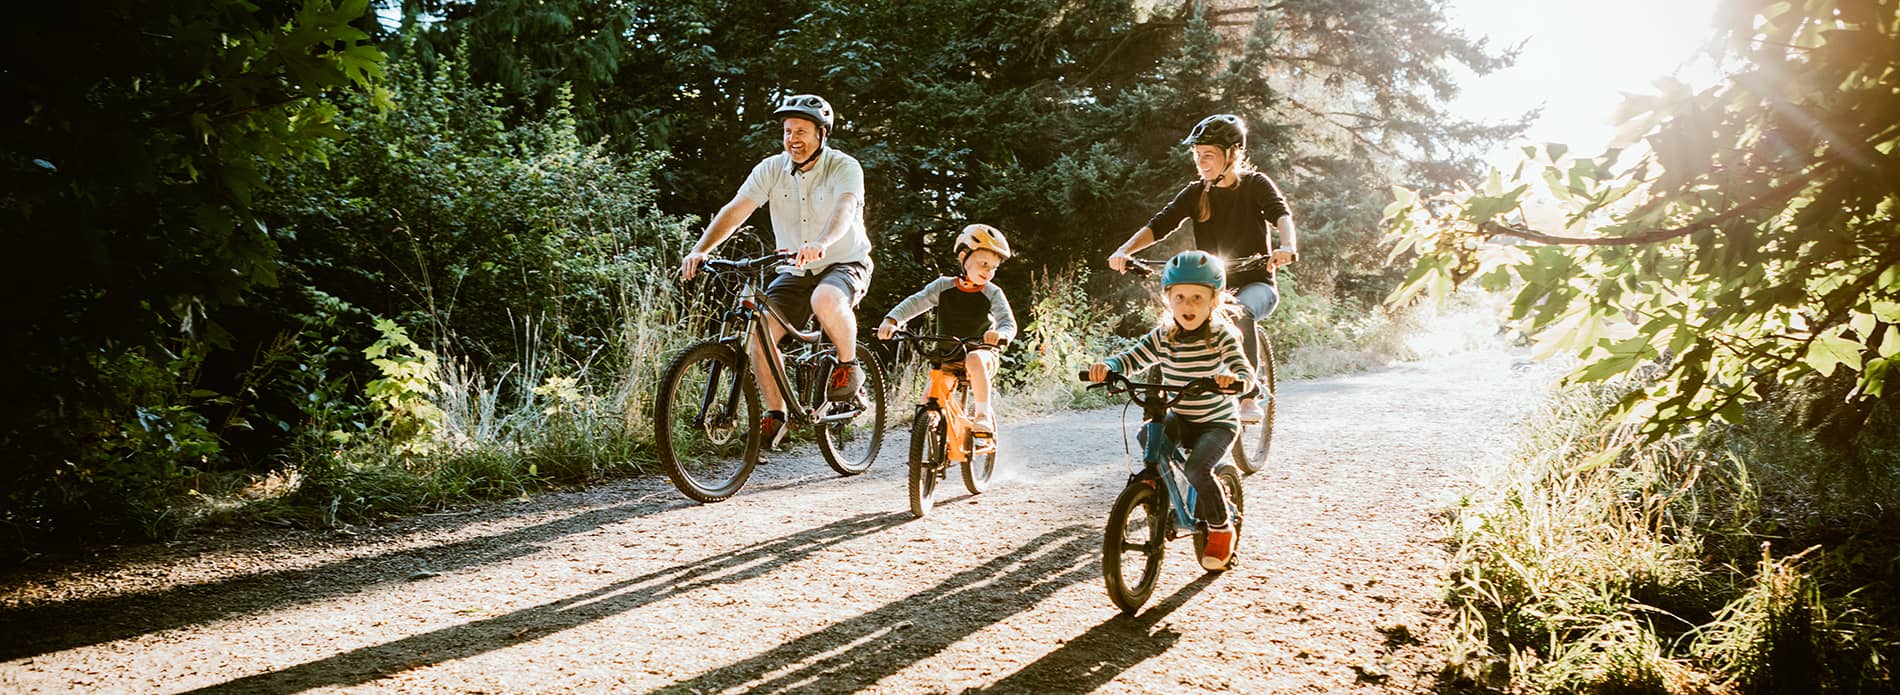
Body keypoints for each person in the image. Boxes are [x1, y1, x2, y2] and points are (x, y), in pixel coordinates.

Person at [678, 93, 873, 449]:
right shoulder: (771, 169)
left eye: (801, 131)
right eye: (787, 131)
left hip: (844, 260)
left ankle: (849, 365)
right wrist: (701, 249)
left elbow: (844, 209)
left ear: (821, 135)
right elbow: (737, 210)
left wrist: (823, 243)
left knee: (826, 298)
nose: (793, 139)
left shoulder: (844, 167)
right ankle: (777, 415)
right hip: (795, 268)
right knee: (759, 333)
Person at [1107, 113, 1298, 425]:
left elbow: (1281, 214)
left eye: (1208, 155)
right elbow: (1161, 223)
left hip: (1256, 284)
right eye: (1197, 155)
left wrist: (1287, 246)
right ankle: (1164, 401)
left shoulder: (1254, 185)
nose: (1201, 162)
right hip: (1211, 289)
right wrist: (1125, 251)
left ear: (1232, 154)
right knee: (1174, 321)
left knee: (1239, 312)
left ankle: (1248, 394)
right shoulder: (1196, 193)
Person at [1086, 250, 1253, 570]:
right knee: (1147, 435)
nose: (1187, 306)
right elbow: (1131, 359)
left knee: (1196, 469)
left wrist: (1234, 380)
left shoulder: (1222, 336)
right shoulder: (1164, 336)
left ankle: (1221, 527)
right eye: (1179, 297)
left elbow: (1244, 373)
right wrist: (1108, 367)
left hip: (1217, 422)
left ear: (1213, 301)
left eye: (1196, 298)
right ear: (1168, 299)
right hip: (1183, 414)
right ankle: (1157, 490)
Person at [876, 224, 1018, 433]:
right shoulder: (944, 286)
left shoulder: (992, 292)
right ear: (963, 257)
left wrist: (1000, 334)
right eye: (983, 263)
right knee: (929, 403)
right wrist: (892, 320)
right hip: (948, 356)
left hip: (983, 354)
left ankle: (982, 415)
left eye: (993, 268)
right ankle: (928, 455)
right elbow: (916, 302)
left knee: (975, 359)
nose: (988, 271)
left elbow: (1008, 322)